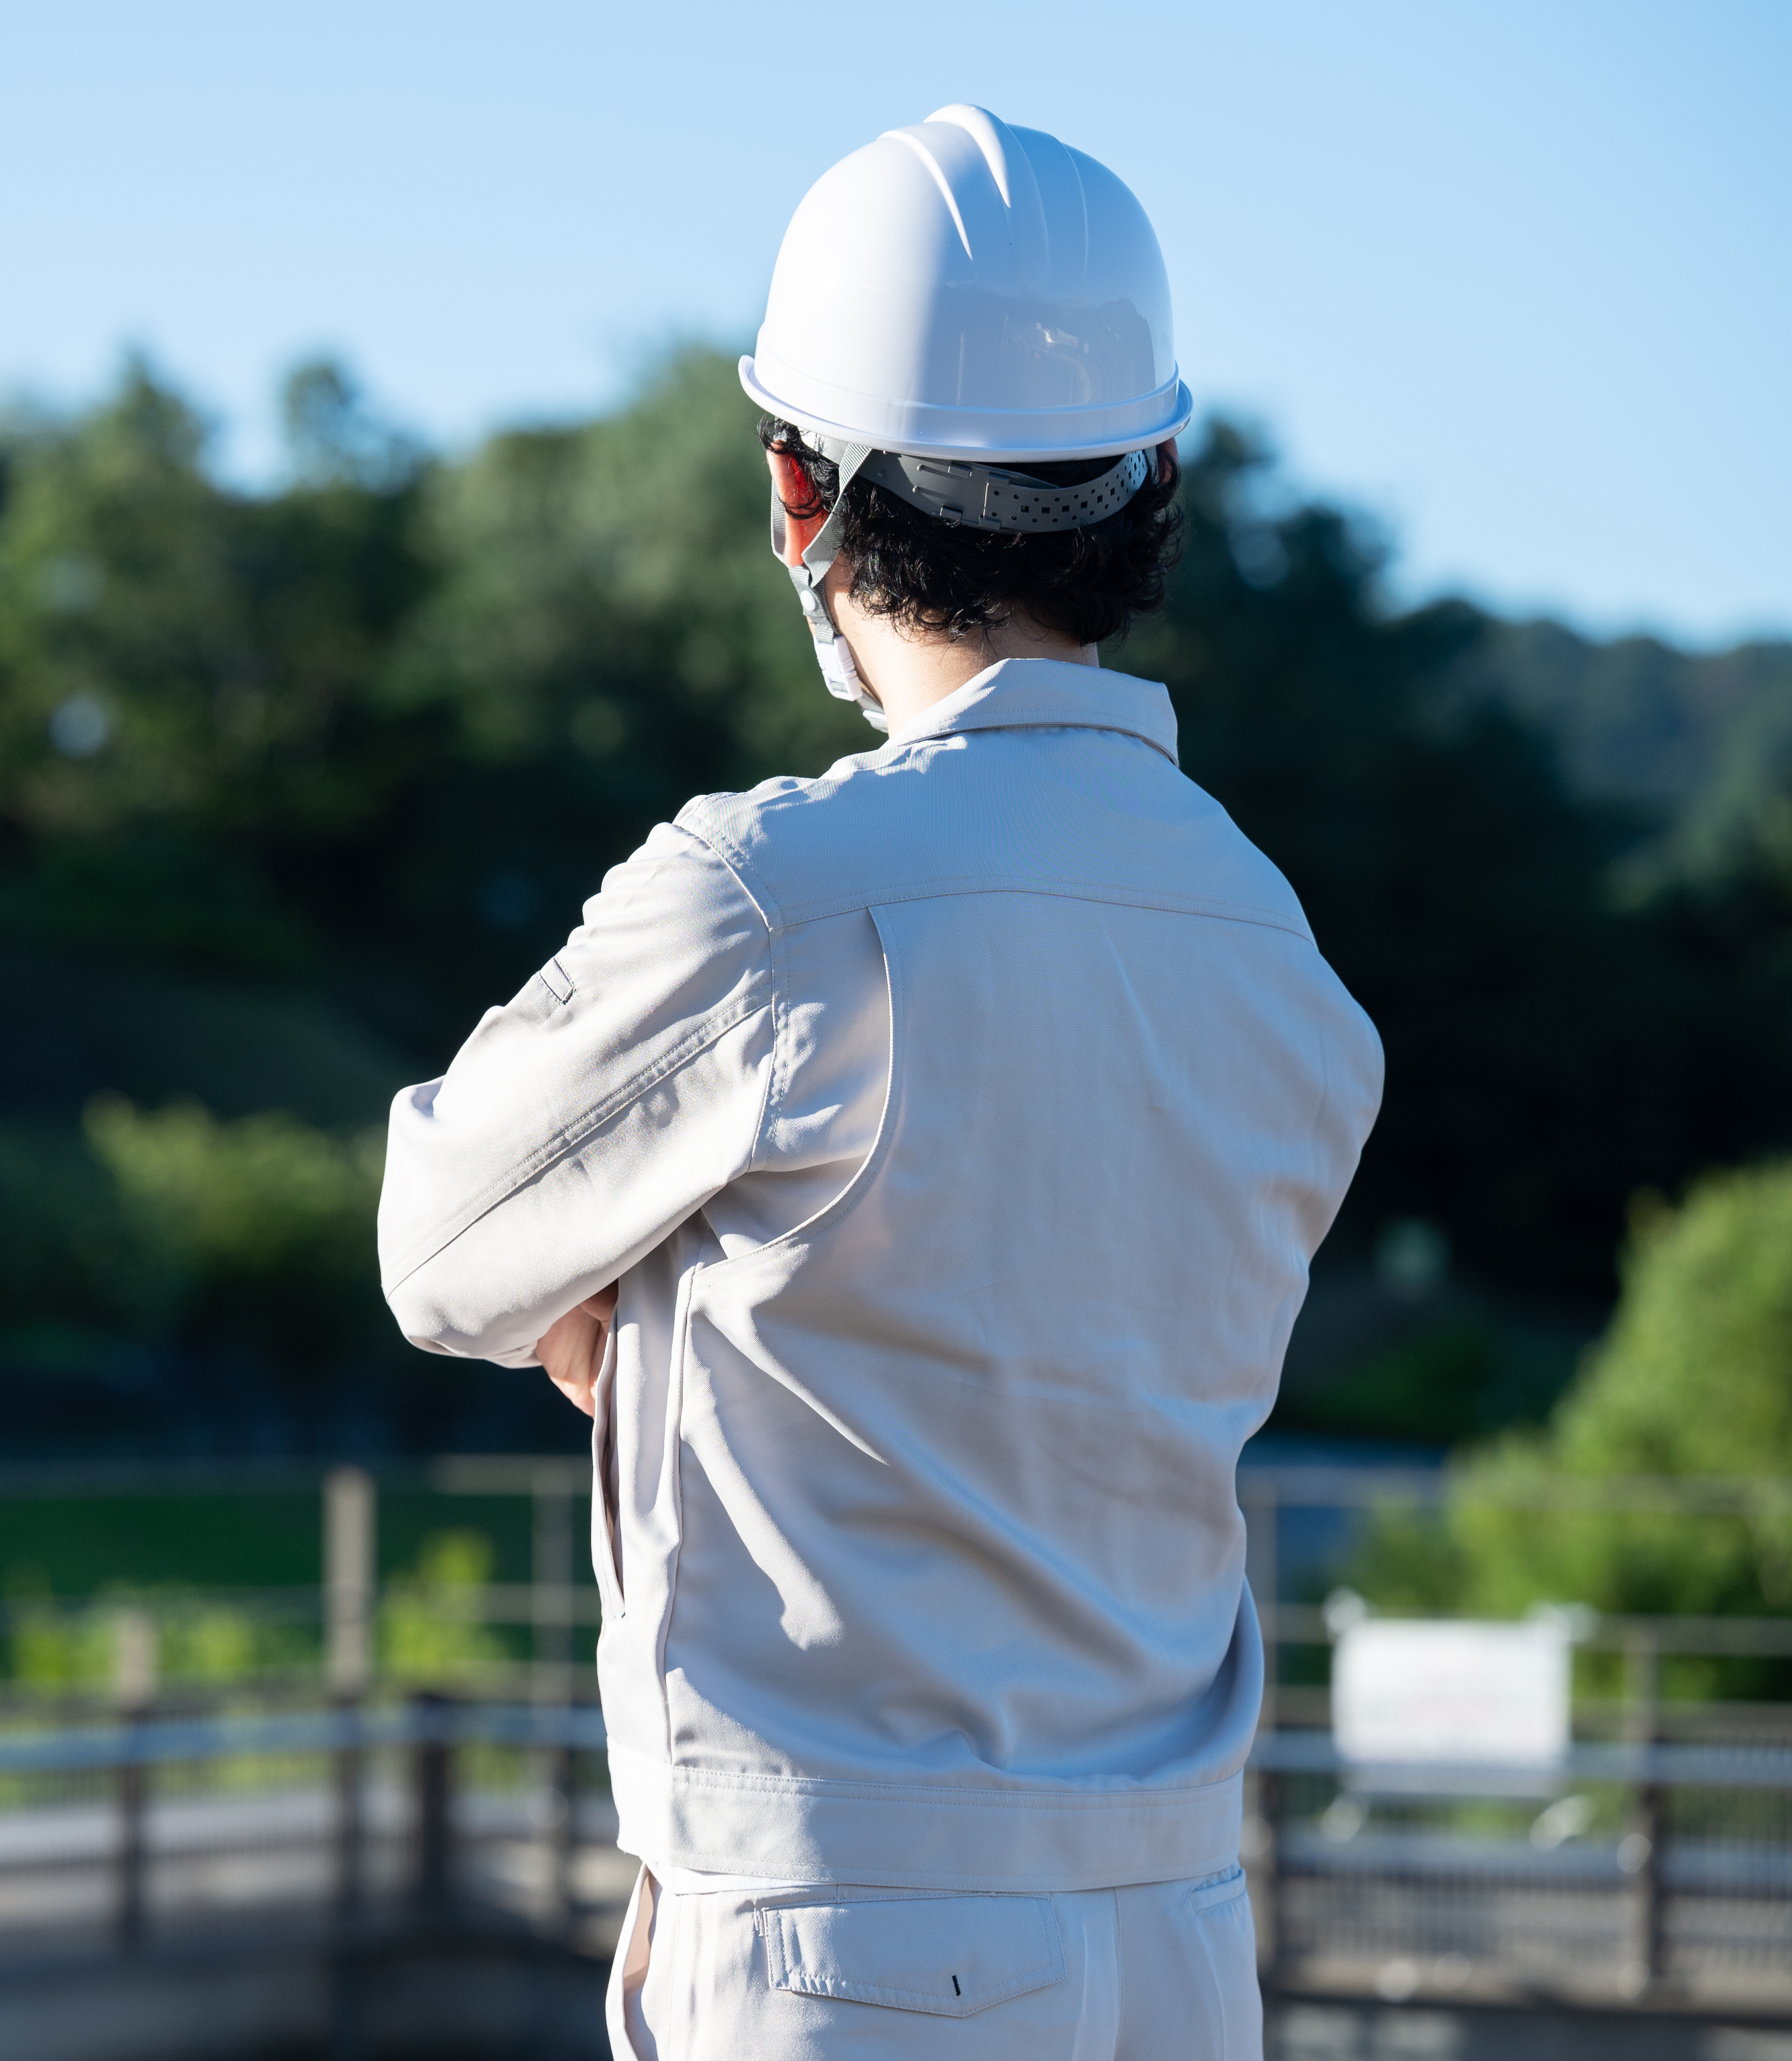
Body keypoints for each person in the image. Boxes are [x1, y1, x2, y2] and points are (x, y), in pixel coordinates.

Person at [375, 107, 1381, 2058]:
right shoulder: (1281, 959)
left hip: (850, 1954)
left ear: (794, 492)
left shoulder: (771, 898)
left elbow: (441, 1250)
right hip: (1181, 1943)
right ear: (1148, 481)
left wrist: (645, 1295)